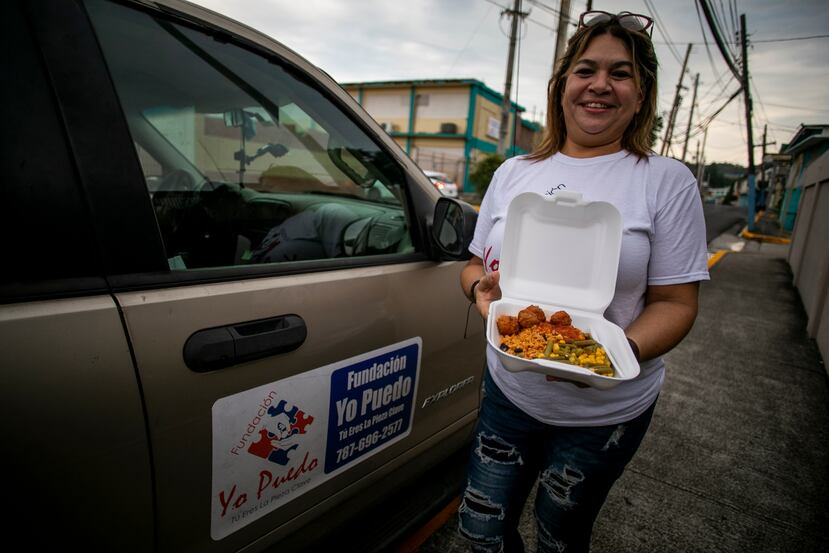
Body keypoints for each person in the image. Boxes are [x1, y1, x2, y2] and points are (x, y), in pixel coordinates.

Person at [457, 10, 709, 553]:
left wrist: (606, 358)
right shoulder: (514, 173)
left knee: (560, 536)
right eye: (586, 70)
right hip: (509, 389)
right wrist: (480, 289)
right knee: (480, 528)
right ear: (563, 85)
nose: (600, 85)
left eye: (620, 73)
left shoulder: (666, 181)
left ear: (641, 95)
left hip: (606, 413)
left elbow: (676, 302)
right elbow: (475, 266)